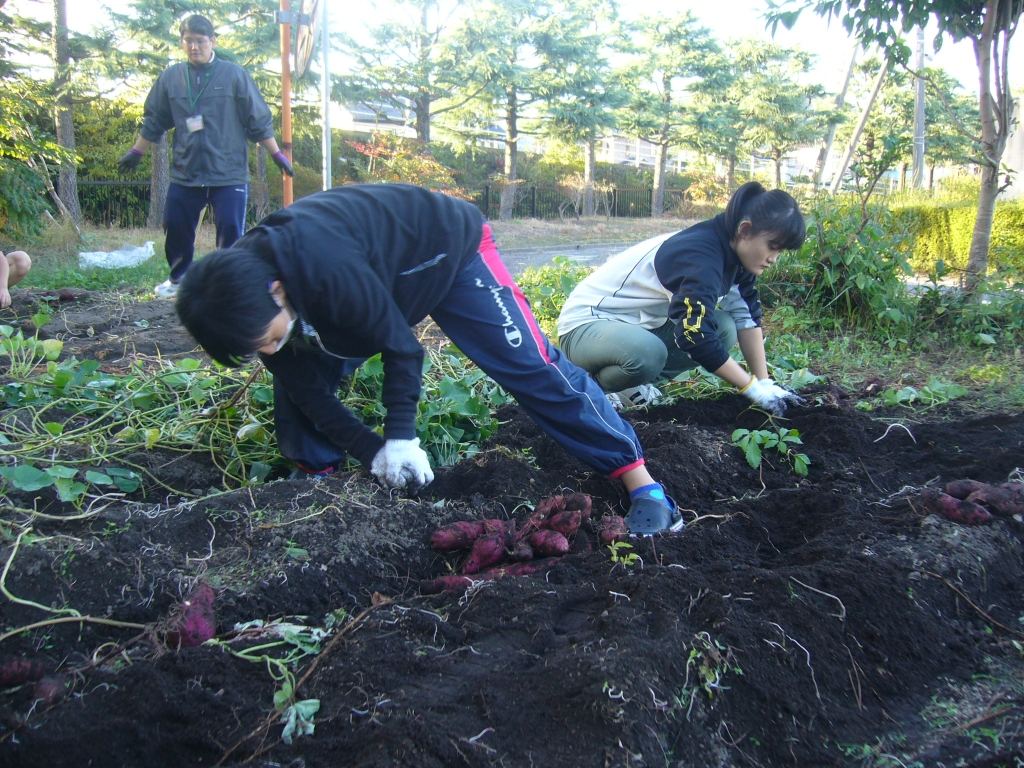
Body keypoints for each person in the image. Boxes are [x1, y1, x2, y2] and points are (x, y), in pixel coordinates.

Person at [176, 184, 682, 536]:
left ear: (277, 290)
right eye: (255, 348)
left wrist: (400, 437)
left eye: (265, 337)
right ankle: (320, 489)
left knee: (530, 366)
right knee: (298, 383)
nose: (267, 351)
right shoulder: (240, 300)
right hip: (376, 275)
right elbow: (308, 389)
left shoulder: (320, 265)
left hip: (447, 251)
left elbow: (402, 346)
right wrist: (375, 452)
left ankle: (645, 487)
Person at [556, 181, 807, 417]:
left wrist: (765, 383)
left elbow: (746, 318)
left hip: (638, 328)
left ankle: (630, 386)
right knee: (647, 352)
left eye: (780, 251)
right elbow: (696, 338)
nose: (774, 258)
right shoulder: (699, 255)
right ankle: (586, 388)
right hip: (586, 326)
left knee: (724, 328)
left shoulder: (734, 257)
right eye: (772, 246)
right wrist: (752, 391)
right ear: (745, 230)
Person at [117, 14, 293, 299]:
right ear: (182, 42)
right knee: (175, 226)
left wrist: (277, 155)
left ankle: (228, 286)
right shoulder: (171, 77)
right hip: (187, 173)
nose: (194, 47)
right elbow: (155, 120)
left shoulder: (234, 75)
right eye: (189, 41)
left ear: (213, 41)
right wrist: (137, 151)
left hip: (228, 172)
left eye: (200, 41)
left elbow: (257, 120)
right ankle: (178, 279)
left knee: (230, 234)